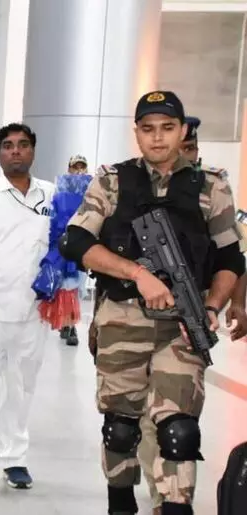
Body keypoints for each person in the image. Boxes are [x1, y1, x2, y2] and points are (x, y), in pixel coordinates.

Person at [60, 91, 245, 515]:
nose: (157, 138)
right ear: (137, 133)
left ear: (182, 132)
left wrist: (214, 306)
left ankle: (176, 507)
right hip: (121, 320)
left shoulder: (210, 185)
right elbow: (75, 241)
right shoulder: (112, 181)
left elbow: (229, 257)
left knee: (180, 431)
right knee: (121, 429)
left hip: (183, 324)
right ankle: (121, 504)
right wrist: (138, 274)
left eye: (167, 128)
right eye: (148, 129)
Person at [133, 115, 247, 515]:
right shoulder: (136, 186)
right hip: (138, 317)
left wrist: (234, 303)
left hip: (191, 312)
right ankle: (159, 491)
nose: (184, 154)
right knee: (143, 416)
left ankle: (172, 499)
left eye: (190, 148)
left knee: (177, 420)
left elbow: (233, 256)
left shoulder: (212, 189)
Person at [0, 123, 54, 492]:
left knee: (22, 387)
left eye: (23, 144)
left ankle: (15, 458)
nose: (15, 151)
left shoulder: (53, 194)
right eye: (8, 146)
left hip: (35, 311)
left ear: (33, 150)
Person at [58, 154, 91, 347]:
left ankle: (69, 324)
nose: (79, 171)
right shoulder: (61, 188)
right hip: (64, 241)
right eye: (75, 167)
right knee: (66, 286)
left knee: (77, 287)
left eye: (82, 167)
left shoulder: (92, 189)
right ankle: (68, 324)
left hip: (84, 243)